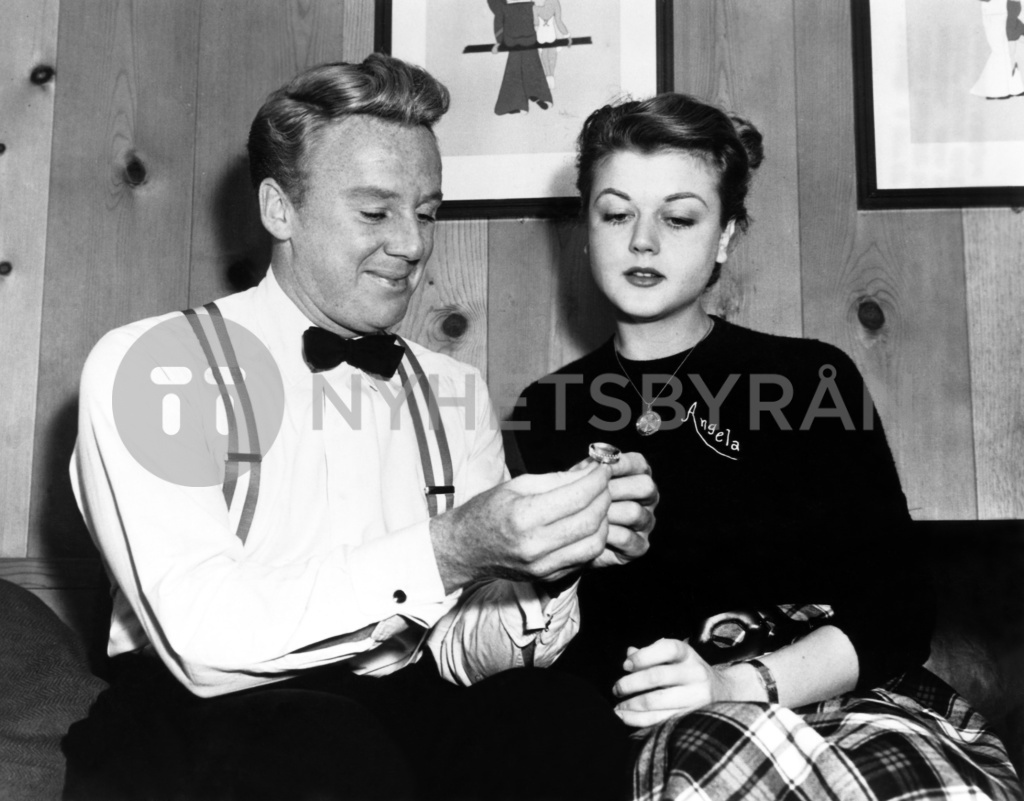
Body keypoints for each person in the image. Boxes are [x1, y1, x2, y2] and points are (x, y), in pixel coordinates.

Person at [62, 53, 658, 801]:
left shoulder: (454, 390)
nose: (411, 243)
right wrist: (447, 549)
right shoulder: (156, 364)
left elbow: (466, 652)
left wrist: (553, 559)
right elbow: (201, 642)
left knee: (559, 716)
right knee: (320, 746)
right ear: (280, 210)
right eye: (375, 212)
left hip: (387, 705)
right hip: (195, 717)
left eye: (428, 211)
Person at [512, 93, 1022, 799]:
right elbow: (554, 649)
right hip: (659, 738)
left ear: (725, 236)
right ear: (586, 227)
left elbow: (895, 609)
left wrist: (732, 684)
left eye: (680, 216)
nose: (643, 241)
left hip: (852, 708)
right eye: (617, 212)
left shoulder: (809, 379)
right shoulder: (547, 411)